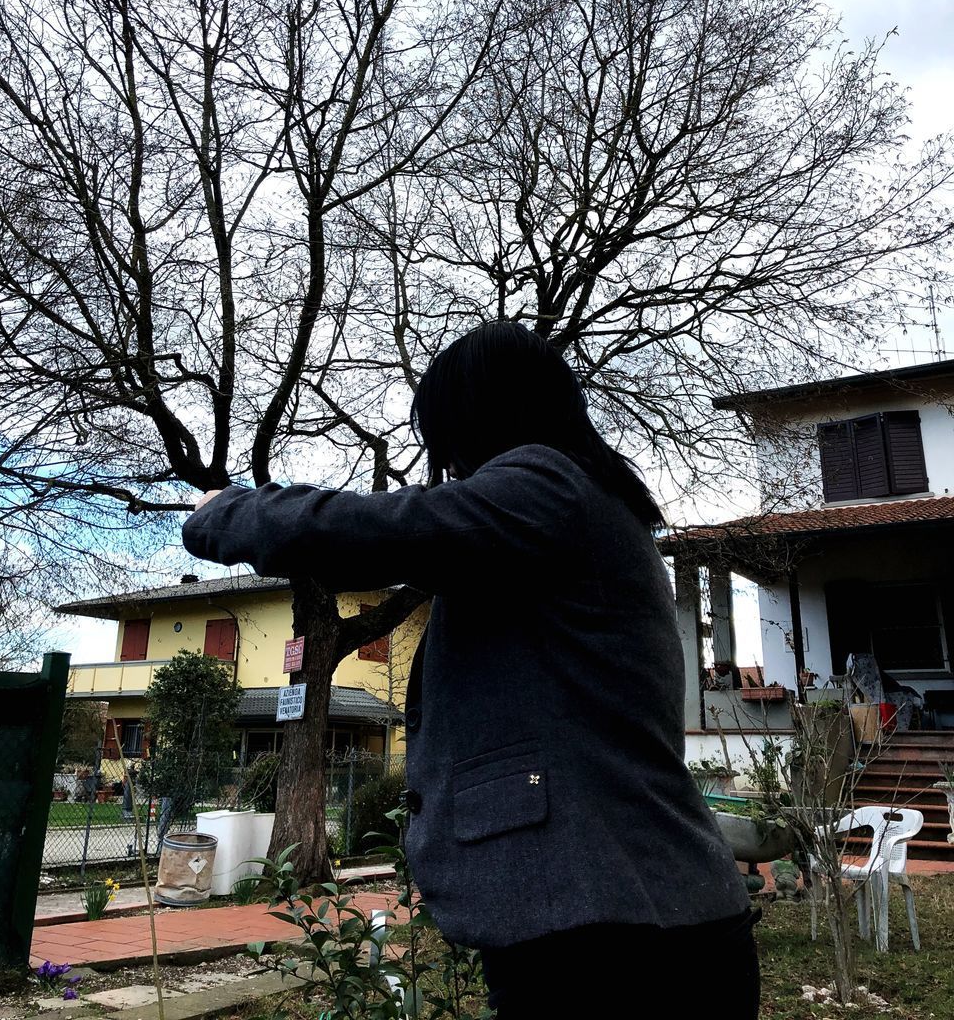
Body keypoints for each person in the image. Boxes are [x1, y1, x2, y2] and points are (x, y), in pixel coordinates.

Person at [182, 322, 759, 1017]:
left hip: (610, 936)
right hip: (636, 921)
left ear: (484, 415)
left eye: (447, 435)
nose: (448, 462)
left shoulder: (548, 486)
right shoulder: (587, 514)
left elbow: (381, 530)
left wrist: (228, 513)